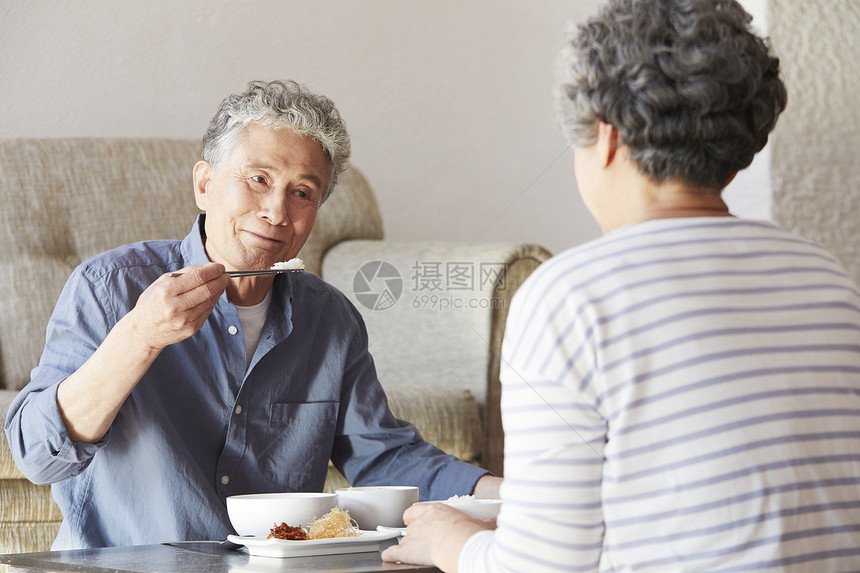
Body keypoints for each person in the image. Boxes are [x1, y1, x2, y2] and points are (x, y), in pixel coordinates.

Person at [382, 0, 860, 571]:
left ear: (606, 138)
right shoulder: (829, 280)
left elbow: (547, 567)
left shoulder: (571, 297)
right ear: (733, 157)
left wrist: (449, 541)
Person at [4, 80, 500, 550]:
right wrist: (139, 337)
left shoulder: (331, 321)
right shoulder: (109, 287)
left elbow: (385, 456)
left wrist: (505, 494)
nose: (277, 211)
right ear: (205, 184)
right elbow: (35, 455)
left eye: (302, 192)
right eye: (258, 179)